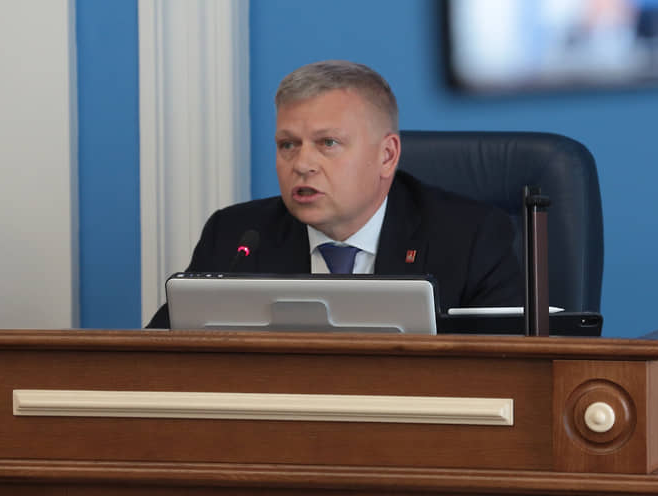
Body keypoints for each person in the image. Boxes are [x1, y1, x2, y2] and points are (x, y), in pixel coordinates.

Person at [147, 60, 522, 328]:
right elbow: (159, 359)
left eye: (327, 143)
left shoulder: (469, 237)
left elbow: (504, 372)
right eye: (288, 145)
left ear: (386, 155)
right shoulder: (236, 236)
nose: (302, 164)